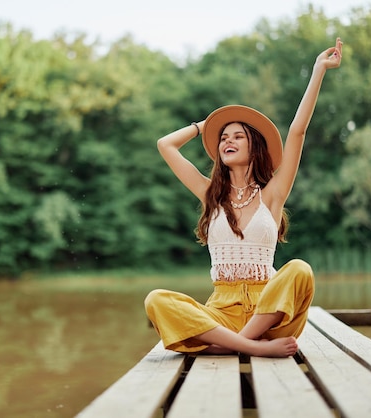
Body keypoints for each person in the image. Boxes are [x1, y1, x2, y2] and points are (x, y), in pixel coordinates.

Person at [145, 38, 343, 358]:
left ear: (255, 148)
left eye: (238, 136)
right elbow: (165, 145)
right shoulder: (211, 193)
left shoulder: (273, 194)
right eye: (223, 137)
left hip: (269, 313)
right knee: (156, 300)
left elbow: (297, 131)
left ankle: (225, 345)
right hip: (220, 312)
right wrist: (202, 126)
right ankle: (248, 347)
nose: (228, 141)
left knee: (300, 270)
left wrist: (319, 70)